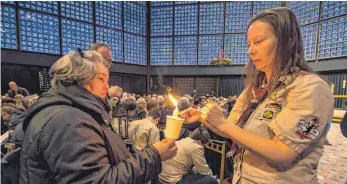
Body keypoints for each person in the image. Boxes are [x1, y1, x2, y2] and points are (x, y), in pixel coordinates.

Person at [180, 8, 334, 184]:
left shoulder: (310, 88)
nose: (250, 51)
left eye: (258, 41)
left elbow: (283, 152)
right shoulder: (254, 90)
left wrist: (222, 123)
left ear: (287, 41)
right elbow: (233, 130)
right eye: (249, 44)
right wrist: (205, 118)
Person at [20, 50, 177, 183]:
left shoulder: (72, 113)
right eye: (101, 78)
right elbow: (97, 180)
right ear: (81, 79)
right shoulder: (67, 121)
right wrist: (153, 156)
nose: (107, 86)